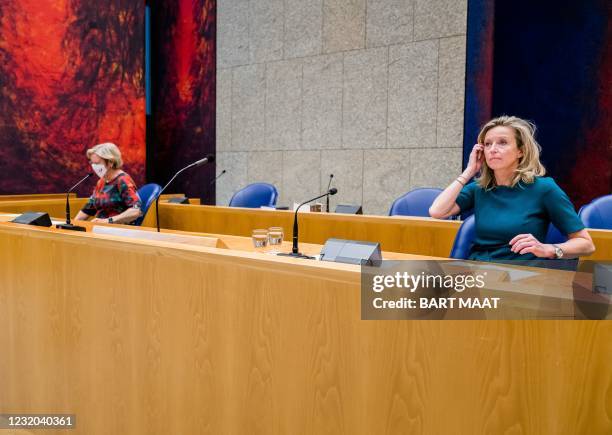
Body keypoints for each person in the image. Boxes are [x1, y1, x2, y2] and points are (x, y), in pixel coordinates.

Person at [429, 116, 595, 261]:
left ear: (520, 152)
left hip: (521, 276)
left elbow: (586, 244)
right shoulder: (479, 188)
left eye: (502, 143)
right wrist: (469, 171)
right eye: (487, 144)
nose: (493, 149)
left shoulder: (544, 189)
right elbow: (437, 211)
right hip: (478, 271)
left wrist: (549, 249)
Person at [74, 142, 142, 224]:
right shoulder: (101, 182)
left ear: (111, 162)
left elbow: (135, 211)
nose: (94, 166)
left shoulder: (123, 180)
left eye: (97, 163)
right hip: (101, 229)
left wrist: (108, 221)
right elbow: (89, 208)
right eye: (92, 163)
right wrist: (73, 223)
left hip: (119, 230)